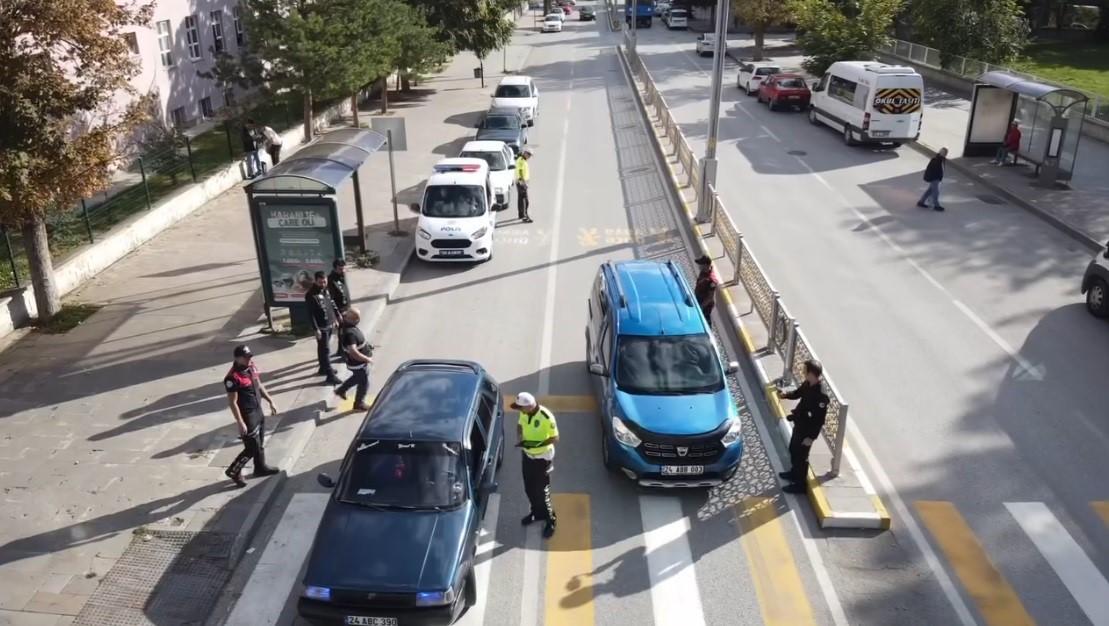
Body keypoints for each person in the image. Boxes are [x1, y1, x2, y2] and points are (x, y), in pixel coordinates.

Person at [223, 345, 279, 488]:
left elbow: (259, 385)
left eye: (250, 357)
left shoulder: (252, 367)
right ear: (237, 358)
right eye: (246, 357)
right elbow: (233, 402)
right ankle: (234, 470)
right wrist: (240, 422)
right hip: (247, 415)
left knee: (259, 443)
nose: (249, 360)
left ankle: (260, 468)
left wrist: (270, 401)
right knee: (251, 448)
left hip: (257, 411)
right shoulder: (232, 378)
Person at [777, 359, 829, 494]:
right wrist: (785, 395)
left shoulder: (821, 395)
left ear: (812, 373)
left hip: (807, 431)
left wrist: (811, 438)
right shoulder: (808, 384)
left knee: (801, 457)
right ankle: (793, 473)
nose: (803, 372)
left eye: (805, 370)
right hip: (800, 424)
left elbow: (819, 420)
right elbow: (798, 393)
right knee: (793, 450)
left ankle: (800, 485)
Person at [512, 392, 559, 538]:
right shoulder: (524, 413)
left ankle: (550, 520)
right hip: (527, 455)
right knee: (529, 488)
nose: (519, 410)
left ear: (530, 406)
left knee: (542, 492)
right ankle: (536, 513)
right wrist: (520, 437)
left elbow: (555, 438)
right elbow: (519, 425)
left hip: (542, 459)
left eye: (521, 408)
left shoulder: (546, 417)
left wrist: (539, 444)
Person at [305, 271, 341, 385]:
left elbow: (331, 303)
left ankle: (323, 367)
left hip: (329, 324)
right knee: (325, 350)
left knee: (323, 348)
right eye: (320, 282)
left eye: (325, 282)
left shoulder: (326, 290)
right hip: (321, 327)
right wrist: (316, 329)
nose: (323, 284)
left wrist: (336, 316)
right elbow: (310, 314)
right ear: (315, 281)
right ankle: (330, 375)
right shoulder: (311, 295)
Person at [335, 306, 373, 411]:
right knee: (363, 381)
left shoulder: (346, 324)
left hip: (355, 362)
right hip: (357, 363)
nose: (359, 320)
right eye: (357, 318)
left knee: (359, 379)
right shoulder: (349, 333)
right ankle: (358, 403)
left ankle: (342, 391)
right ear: (351, 319)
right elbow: (353, 351)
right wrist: (366, 359)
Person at [917, 147, 948, 212]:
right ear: (942, 153)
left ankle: (921, 202)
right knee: (935, 193)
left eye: (945, 153)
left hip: (936, 179)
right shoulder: (937, 160)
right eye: (945, 153)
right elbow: (936, 170)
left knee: (929, 191)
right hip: (935, 179)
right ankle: (936, 206)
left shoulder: (941, 159)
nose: (945, 154)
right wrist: (938, 178)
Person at [693, 254, 720, 328]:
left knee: (705, 320)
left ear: (705, 265)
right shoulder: (703, 272)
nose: (699, 266)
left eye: (700, 264)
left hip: (705, 304)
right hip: (699, 299)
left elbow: (709, 298)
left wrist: (700, 307)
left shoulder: (711, 280)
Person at [515, 148, 533, 223]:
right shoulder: (521, 160)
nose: (529, 157)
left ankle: (521, 214)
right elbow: (520, 171)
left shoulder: (521, 159)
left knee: (521, 199)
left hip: (520, 182)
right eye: (529, 154)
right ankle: (524, 216)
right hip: (521, 182)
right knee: (525, 200)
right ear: (525, 153)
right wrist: (524, 182)